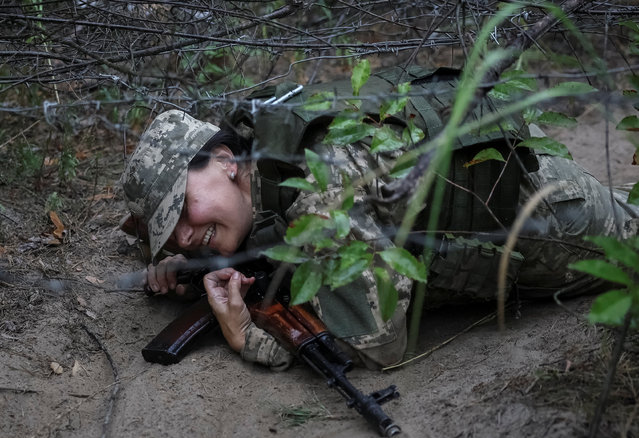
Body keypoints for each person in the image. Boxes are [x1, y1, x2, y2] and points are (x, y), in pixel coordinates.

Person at [120, 75, 639, 370]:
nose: (185, 235)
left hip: (553, 224)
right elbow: (254, 234)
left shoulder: (317, 197)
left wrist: (246, 335)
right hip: (533, 187)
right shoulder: (266, 156)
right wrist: (184, 266)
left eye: (183, 209)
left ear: (228, 162)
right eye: (171, 232)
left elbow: (378, 345)